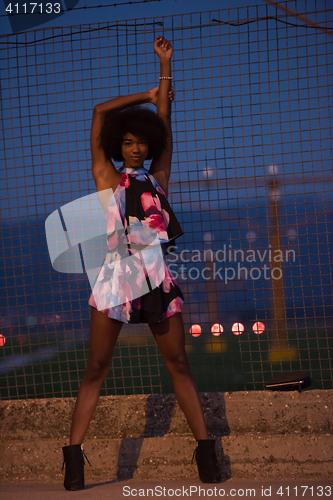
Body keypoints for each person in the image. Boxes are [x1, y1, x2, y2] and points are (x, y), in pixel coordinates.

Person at [61, 36, 221, 490]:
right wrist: (147, 96)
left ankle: (206, 456)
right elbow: (98, 112)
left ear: (149, 146)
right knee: (96, 368)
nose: (134, 148)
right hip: (114, 279)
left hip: (157, 279)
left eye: (141, 143)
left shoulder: (159, 175)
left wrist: (164, 70)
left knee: (180, 365)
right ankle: (74, 457)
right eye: (127, 142)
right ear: (118, 146)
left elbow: (165, 127)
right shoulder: (106, 176)